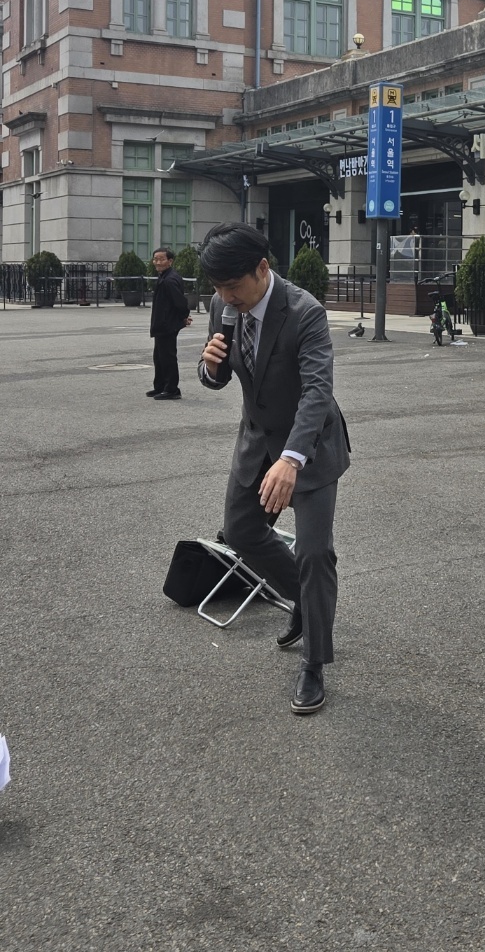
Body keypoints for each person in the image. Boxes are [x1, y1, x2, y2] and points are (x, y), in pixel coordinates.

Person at [197, 222, 350, 716]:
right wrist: (210, 369)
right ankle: (306, 601)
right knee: (241, 531)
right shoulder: (223, 305)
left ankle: (314, 663)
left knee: (314, 552)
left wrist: (291, 458)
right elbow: (219, 375)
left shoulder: (305, 312)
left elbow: (317, 391)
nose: (225, 298)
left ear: (262, 269)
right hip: (256, 441)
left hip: (310, 446)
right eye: (217, 288)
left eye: (232, 286)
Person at [148, 247, 192, 401]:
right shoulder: (164, 277)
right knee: (159, 357)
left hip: (167, 324)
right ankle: (160, 386)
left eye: (161, 259)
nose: (157, 262)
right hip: (162, 324)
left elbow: (180, 302)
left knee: (167, 357)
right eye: (155, 259)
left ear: (170, 261)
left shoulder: (170, 280)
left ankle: (172, 389)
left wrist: (184, 316)